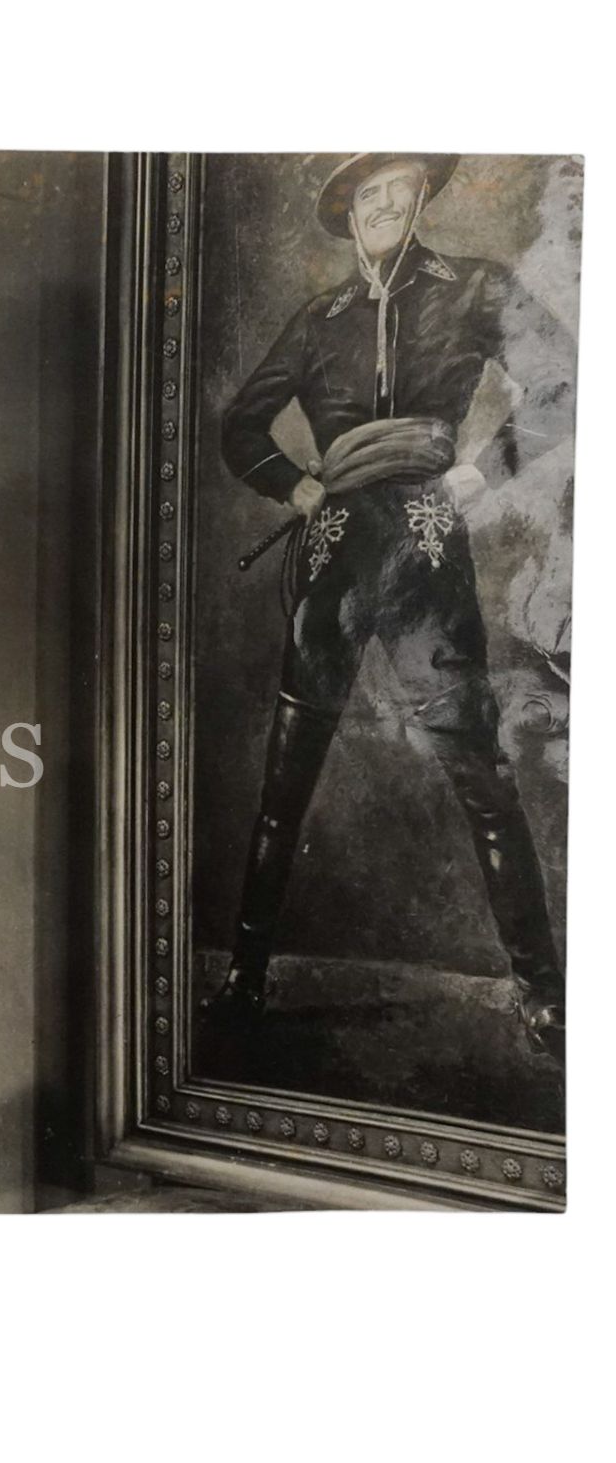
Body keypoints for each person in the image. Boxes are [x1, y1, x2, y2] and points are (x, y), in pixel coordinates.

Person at [209, 154, 575, 1063]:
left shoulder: (477, 286)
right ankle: (244, 977)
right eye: (367, 192)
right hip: (334, 549)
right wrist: (296, 486)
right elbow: (241, 428)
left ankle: (545, 996)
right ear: (345, 209)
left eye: (400, 187)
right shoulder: (319, 319)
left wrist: (479, 472)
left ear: (422, 197)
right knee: (286, 776)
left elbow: (565, 382)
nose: (384, 204)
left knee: (481, 776)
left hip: (426, 540)